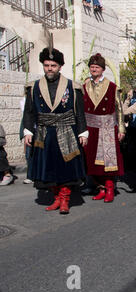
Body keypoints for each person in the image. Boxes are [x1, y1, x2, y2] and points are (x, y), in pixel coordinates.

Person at [23, 47, 88, 214]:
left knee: (65, 167)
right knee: (48, 168)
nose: (50, 68)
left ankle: (65, 199)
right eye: (46, 65)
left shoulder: (73, 87)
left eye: (53, 65)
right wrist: (28, 131)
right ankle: (56, 198)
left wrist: (82, 132)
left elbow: (79, 112)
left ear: (60, 66)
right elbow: (29, 112)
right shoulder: (34, 87)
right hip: (44, 133)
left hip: (67, 131)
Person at [83, 53, 125, 203]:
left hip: (107, 127)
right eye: (92, 67)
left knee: (108, 164)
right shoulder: (84, 87)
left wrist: (121, 129)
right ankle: (100, 188)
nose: (94, 69)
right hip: (90, 128)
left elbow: (119, 109)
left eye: (97, 67)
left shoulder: (112, 87)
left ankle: (109, 189)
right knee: (91, 162)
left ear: (103, 69)